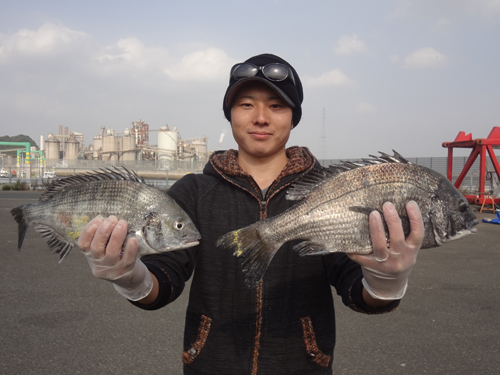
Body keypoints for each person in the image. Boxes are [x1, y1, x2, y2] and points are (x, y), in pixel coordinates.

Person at [78, 53, 424, 375]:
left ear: (293, 116)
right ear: (230, 114)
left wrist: (386, 280)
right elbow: (163, 281)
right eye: (246, 105)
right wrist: (129, 276)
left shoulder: (329, 191)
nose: (261, 117)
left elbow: (354, 287)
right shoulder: (194, 191)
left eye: (276, 105)